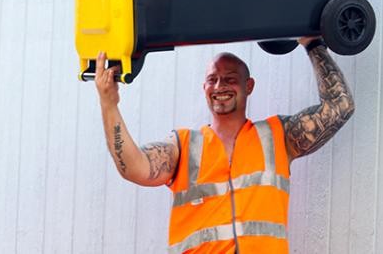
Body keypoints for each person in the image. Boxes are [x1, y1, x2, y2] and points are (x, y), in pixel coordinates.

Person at [94, 37, 354, 253]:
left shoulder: (278, 137)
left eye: (230, 79)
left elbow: (339, 107)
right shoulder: (184, 146)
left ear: (248, 86)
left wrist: (313, 44)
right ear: (204, 87)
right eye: (212, 79)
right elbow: (135, 167)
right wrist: (109, 104)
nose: (220, 86)